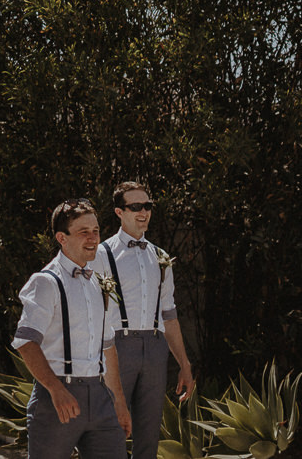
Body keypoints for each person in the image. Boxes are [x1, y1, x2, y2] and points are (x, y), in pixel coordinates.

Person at [12, 199, 133, 459]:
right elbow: (26, 341)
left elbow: (108, 346)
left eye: (96, 231)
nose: (92, 238)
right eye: (83, 232)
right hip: (57, 398)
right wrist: (55, 390)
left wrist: (119, 403)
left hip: (101, 399)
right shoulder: (46, 282)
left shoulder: (97, 284)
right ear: (61, 238)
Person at [93, 181, 196, 459]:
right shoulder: (101, 254)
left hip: (154, 349)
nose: (143, 212)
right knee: (111, 430)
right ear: (119, 212)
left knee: (149, 434)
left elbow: (169, 314)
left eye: (147, 206)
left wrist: (184, 365)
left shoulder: (160, 257)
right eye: (135, 207)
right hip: (116, 348)